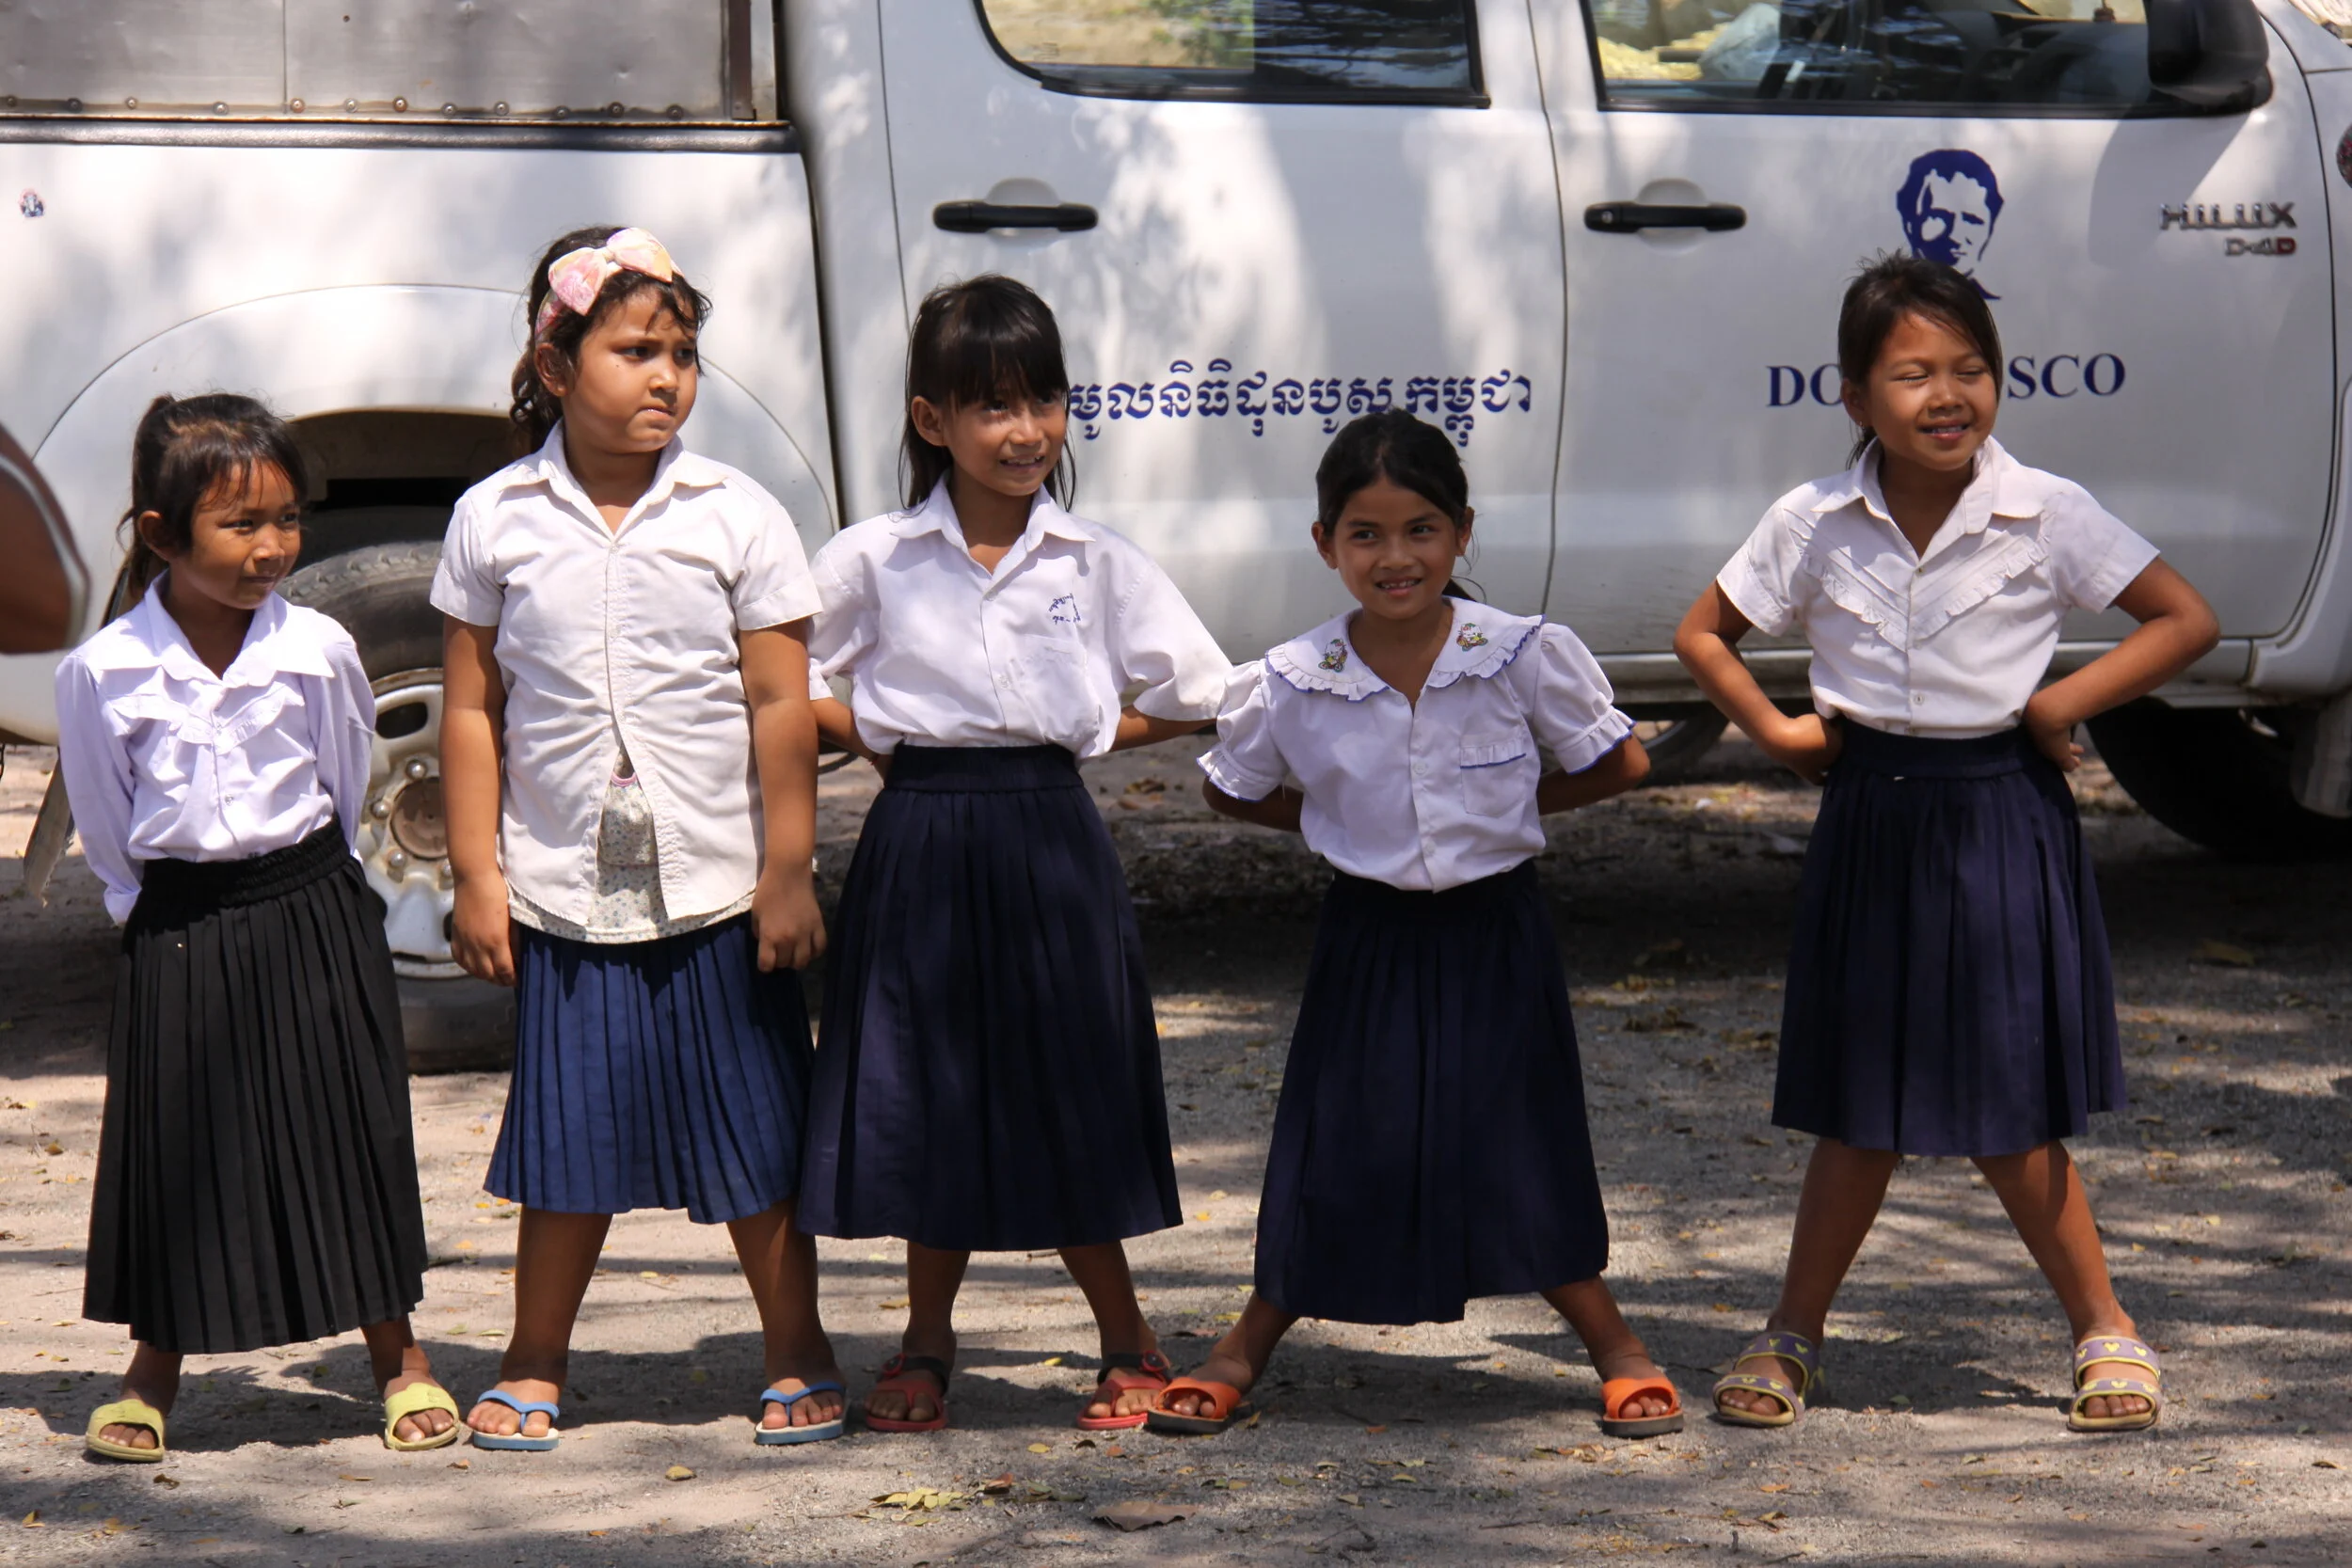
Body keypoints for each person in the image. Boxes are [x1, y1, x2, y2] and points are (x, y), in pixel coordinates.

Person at [1673, 254, 2219, 1433]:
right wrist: (1774, 730)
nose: (1946, 394)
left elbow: (2183, 618)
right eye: (1911, 373)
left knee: (2008, 1101)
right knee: (1858, 1098)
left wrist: (2063, 704)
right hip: (1870, 814)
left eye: (1970, 368)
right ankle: (1791, 1334)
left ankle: (2104, 1327)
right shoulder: (1812, 521)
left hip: (1998, 817)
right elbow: (1702, 629)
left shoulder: (2044, 511)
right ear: (1853, 393)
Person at [1156, 410, 1682, 1440]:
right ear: (1324, 543)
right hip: (1369, 942)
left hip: (1495, 937)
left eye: (1421, 530)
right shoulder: (1295, 676)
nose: (1395, 557)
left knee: (1517, 1134)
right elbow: (1232, 788)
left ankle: (1615, 1345)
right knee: (1340, 1136)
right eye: (1365, 533)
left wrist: (1506, 812)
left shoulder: (1522, 652)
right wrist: (1333, 819)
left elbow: (1618, 761)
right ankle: (1244, 1343)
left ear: (1462, 532)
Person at [435, 227, 843, 1450]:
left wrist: (787, 869)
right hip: (563, 887)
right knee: (567, 1136)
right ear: (554, 366)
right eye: (633, 350)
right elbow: (469, 705)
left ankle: (796, 1347)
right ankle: (533, 1356)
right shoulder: (495, 518)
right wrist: (475, 875)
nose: (666, 376)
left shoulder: (738, 513)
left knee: (756, 1132)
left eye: (682, 352)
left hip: (720, 883)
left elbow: (782, 704)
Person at [799, 275, 1229, 1433]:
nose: (1026, 429)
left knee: (1066, 1084)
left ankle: (1127, 1335)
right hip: (918, 841)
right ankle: (925, 1340)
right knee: (931, 1089)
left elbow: (1195, 691)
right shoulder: (873, 556)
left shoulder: (1093, 558)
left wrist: (1086, 734)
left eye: (1043, 398)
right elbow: (781, 681)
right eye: (992, 405)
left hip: (1048, 841)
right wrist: (885, 741)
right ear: (930, 419)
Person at [56, 394, 456, 1461]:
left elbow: (342, 770)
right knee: (179, 1144)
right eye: (241, 525)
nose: (272, 546)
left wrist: (317, 900)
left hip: (312, 906)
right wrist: (165, 928)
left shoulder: (317, 648)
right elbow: (109, 831)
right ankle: (152, 1368)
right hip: (180, 925)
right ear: (160, 534)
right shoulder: (103, 673)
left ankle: (400, 1358)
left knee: (349, 1132)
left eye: (287, 519)